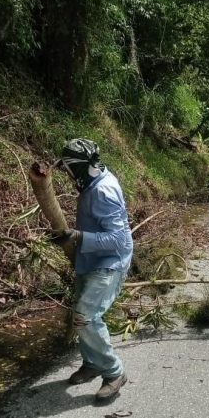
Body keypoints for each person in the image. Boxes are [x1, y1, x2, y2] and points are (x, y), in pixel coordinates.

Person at [49, 138, 133, 401]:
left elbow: (119, 239)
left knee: (86, 316)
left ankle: (114, 371)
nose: (67, 174)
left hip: (110, 262)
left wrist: (77, 236)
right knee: (81, 313)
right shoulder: (94, 182)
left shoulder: (102, 191)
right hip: (91, 259)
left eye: (69, 169)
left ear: (79, 167)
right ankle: (92, 363)